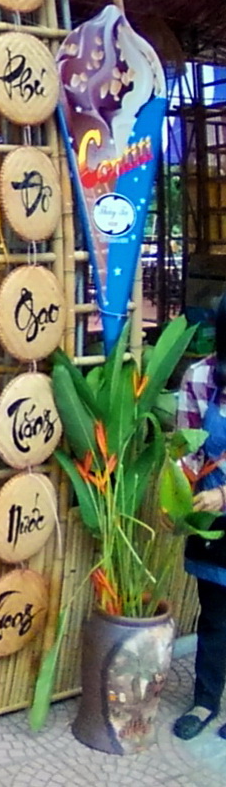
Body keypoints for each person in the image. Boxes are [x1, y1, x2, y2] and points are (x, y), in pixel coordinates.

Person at [171, 294, 226, 740]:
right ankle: (206, 700)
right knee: (216, 616)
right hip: (211, 517)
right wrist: (178, 490)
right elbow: (187, 448)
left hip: (220, 497)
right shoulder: (201, 377)